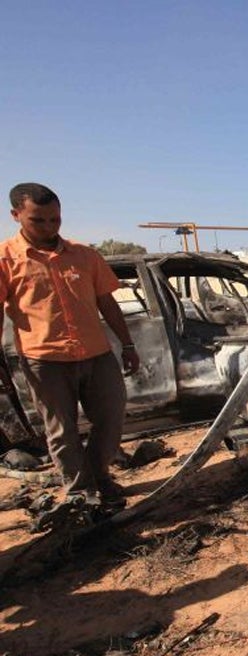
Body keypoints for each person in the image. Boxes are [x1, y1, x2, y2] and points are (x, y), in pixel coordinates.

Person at [1, 183, 140, 518]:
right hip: (44, 361)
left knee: (111, 419)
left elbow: (107, 302)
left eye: (55, 220)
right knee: (62, 431)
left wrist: (128, 343)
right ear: (16, 215)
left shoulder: (84, 254)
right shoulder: (6, 259)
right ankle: (81, 491)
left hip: (96, 354)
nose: (49, 228)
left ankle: (100, 477)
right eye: (39, 221)